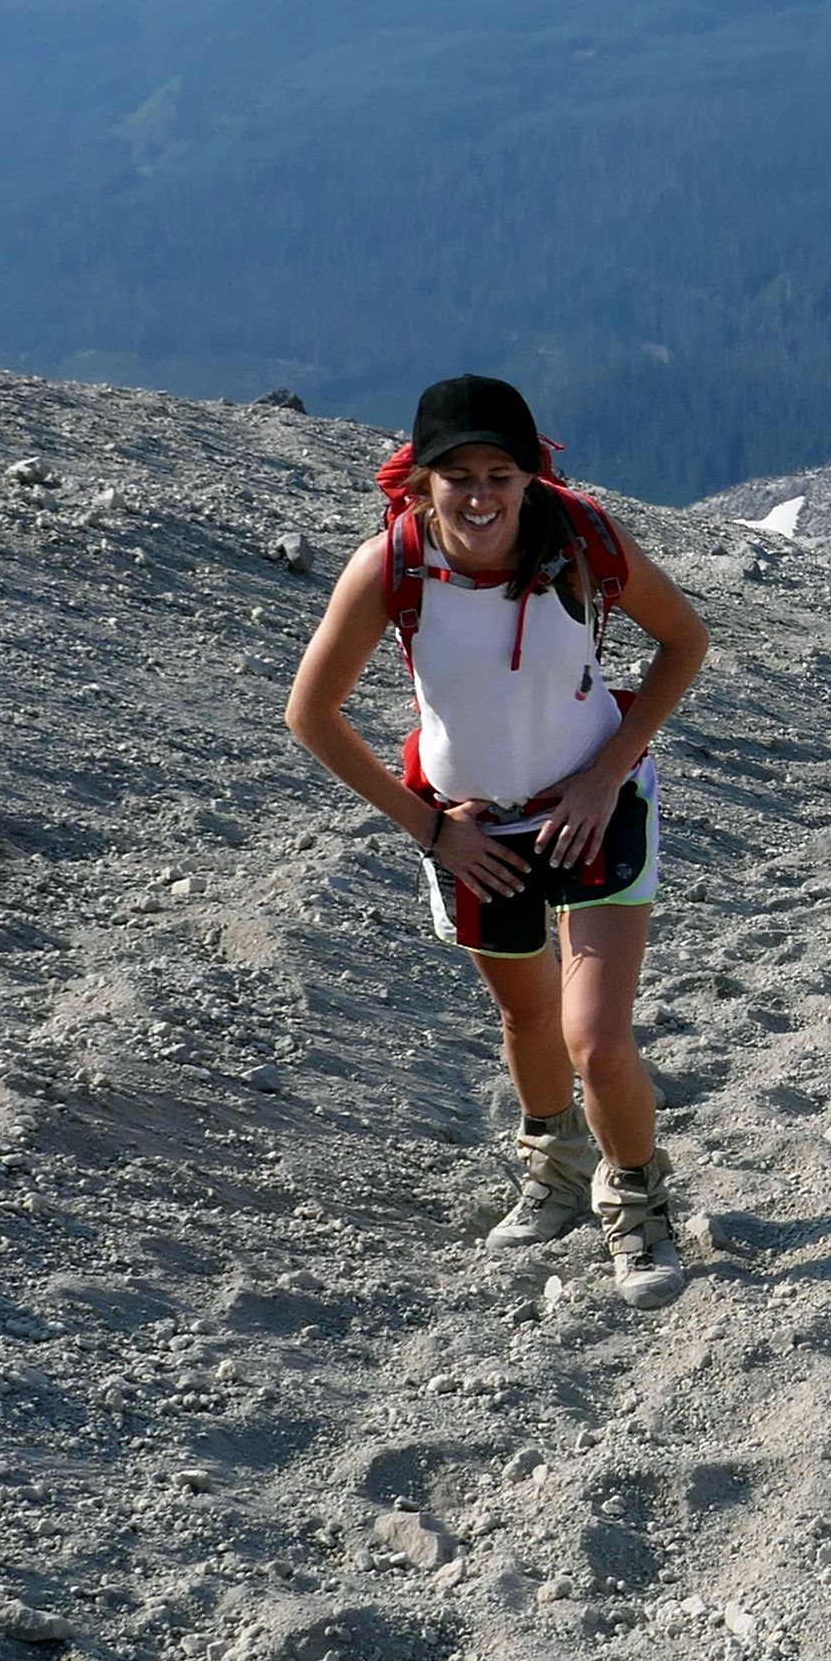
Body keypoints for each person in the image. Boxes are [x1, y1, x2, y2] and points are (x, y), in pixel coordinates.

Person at [285, 376, 715, 1308]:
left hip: (598, 807)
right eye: (457, 475)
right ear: (418, 482)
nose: (480, 495)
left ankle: (638, 1210)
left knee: (595, 1041)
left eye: (501, 473)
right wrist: (433, 832)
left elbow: (685, 642)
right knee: (526, 1021)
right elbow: (310, 714)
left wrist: (606, 776)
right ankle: (554, 1172)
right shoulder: (390, 565)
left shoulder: (583, 538)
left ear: (531, 475)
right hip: (473, 828)